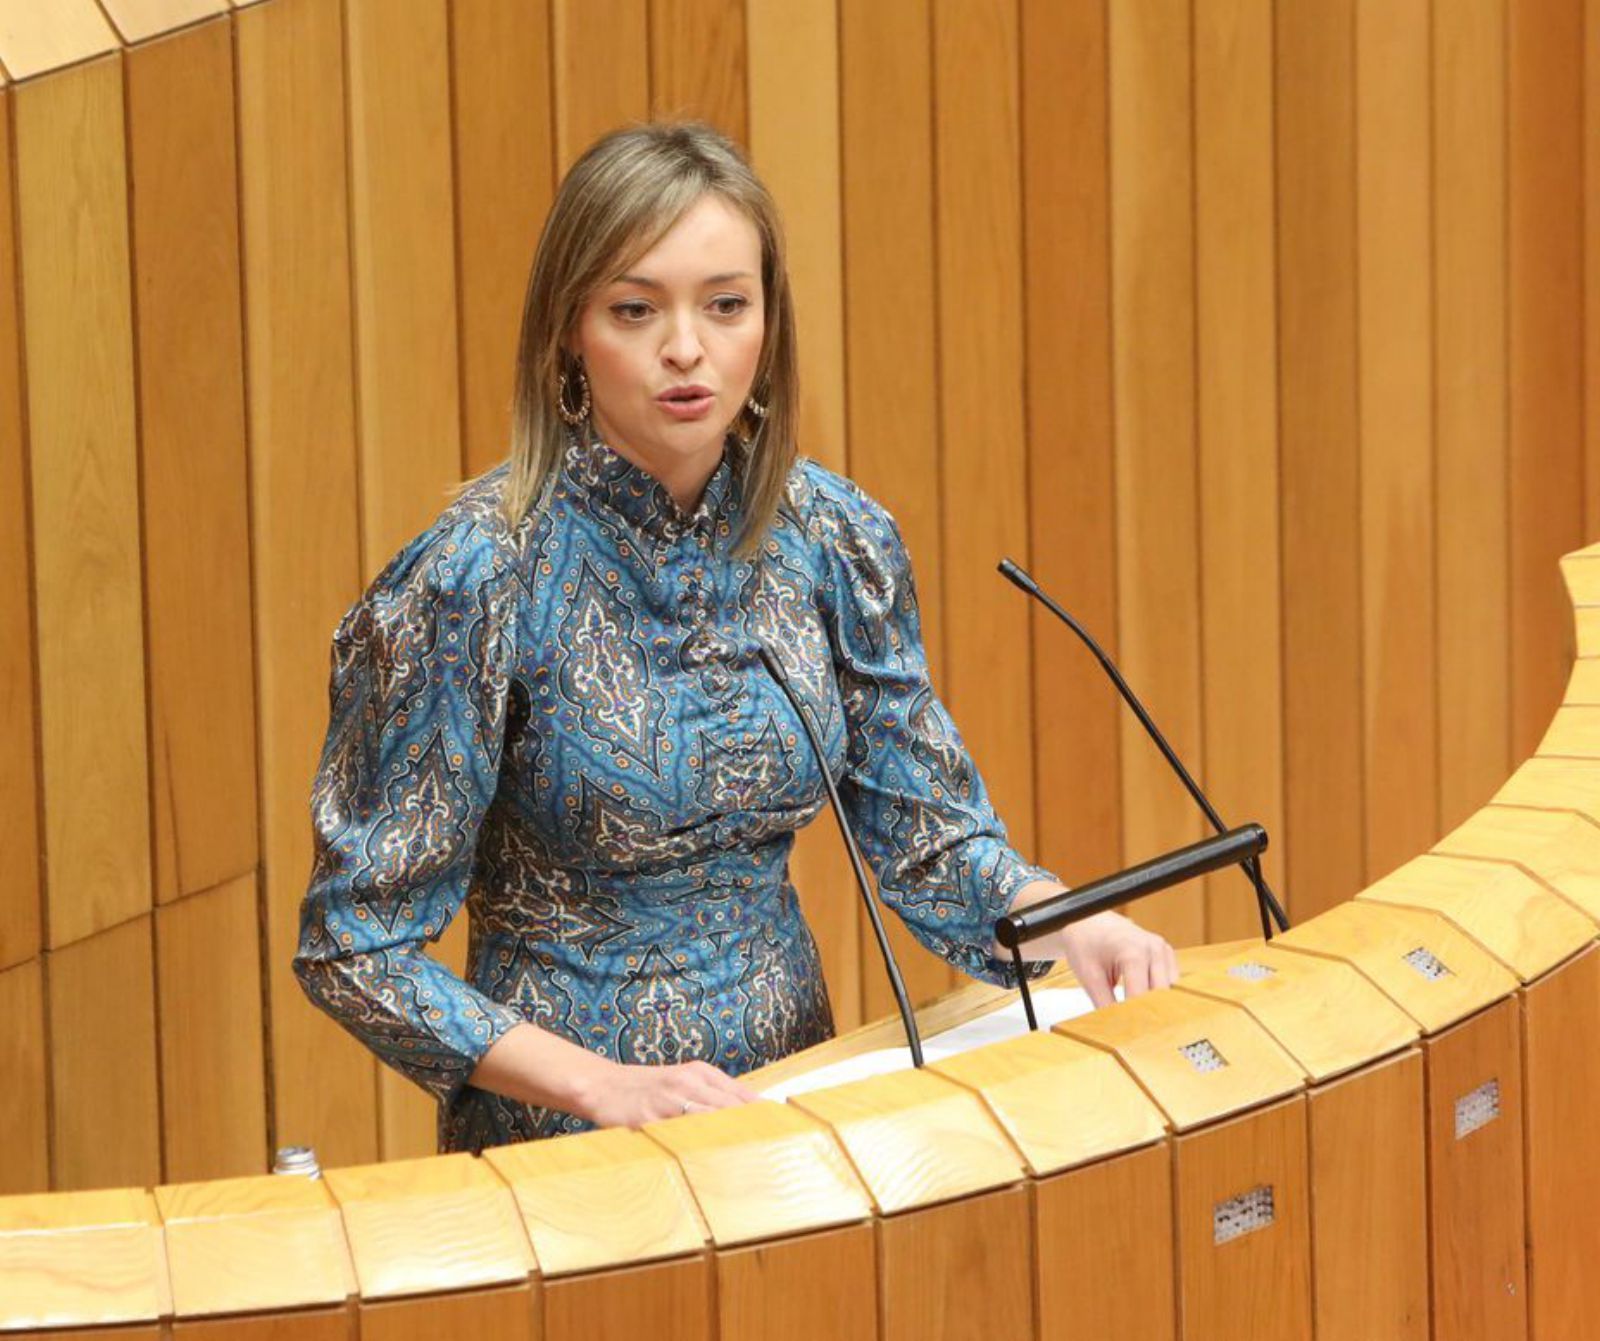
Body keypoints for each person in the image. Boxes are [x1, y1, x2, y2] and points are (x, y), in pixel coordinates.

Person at [294, 121, 1177, 1155]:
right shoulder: (471, 581)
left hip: (795, 1109)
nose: (686, 347)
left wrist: (1070, 921)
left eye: (725, 305)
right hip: (571, 1149)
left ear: (767, 328)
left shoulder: (833, 537)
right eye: (635, 309)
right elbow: (355, 944)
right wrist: (598, 1085)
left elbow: (928, 832)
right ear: (567, 333)